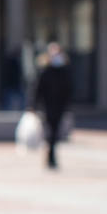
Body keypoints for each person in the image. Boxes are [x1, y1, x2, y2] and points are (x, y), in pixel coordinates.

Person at [32, 41, 73, 169]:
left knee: (55, 131)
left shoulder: (64, 71)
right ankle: (51, 156)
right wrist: (34, 105)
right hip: (47, 106)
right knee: (50, 131)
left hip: (59, 106)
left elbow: (69, 89)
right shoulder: (46, 71)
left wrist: (67, 104)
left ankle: (51, 155)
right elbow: (38, 89)